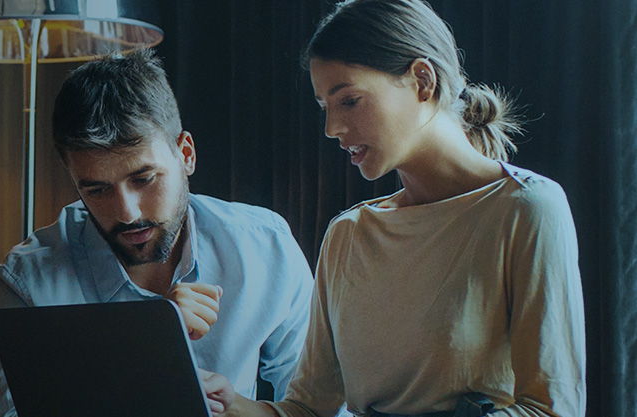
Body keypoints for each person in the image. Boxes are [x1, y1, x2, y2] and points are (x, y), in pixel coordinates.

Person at [200, 0, 586, 416]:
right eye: (323, 107)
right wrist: (230, 404)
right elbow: (308, 409)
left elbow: (552, 409)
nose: (332, 129)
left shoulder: (526, 209)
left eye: (349, 100)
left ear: (423, 81)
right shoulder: (348, 234)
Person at [0, 48, 315, 417]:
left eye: (143, 179)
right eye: (97, 190)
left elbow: (317, 407)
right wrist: (149, 343)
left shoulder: (265, 246)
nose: (127, 213)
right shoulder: (24, 283)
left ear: (185, 154)